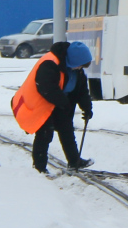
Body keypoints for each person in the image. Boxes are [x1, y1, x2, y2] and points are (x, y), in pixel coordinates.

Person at [11, 39, 94, 173]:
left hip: (59, 102)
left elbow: (82, 91)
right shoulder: (50, 63)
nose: (80, 69)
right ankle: (39, 167)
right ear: (73, 60)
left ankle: (74, 161)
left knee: (67, 130)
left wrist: (87, 108)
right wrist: (64, 102)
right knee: (45, 134)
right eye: (79, 66)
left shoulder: (75, 70)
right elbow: (46, 88)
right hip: (41, 102)